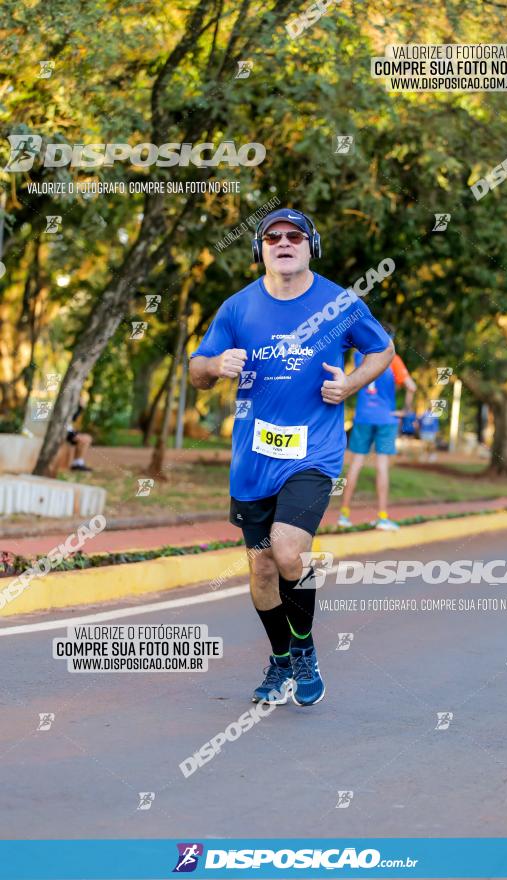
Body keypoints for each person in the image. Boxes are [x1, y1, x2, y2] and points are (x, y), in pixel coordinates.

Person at [189, 208, 394, 707]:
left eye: (294, 236)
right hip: (252, 460)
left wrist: (349, 384)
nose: (284, 242)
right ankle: (281, 659)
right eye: (273, 236)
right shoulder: (237, 308)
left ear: (310, 246)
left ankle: (304, 650)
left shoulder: (339, 303)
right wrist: (216, 365)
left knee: (286, 552)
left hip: (313, 455)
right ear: (260, 248)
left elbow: (382, 350)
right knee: (260, 570)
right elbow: (196, 369)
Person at [338, 325, 416, 530]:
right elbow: (411, 387)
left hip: (363, 416)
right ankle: (382, 517)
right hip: (386, 418)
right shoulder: (393, 359)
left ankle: (344, 516)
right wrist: (405, 411)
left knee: (355, 463)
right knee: (382, 465)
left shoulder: (359, 356)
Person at [66, 404, 93, 472]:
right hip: (65, 432)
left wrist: (80, 407)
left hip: (69, 431)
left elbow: (73, 418)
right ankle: (77, 464)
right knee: (85, 439)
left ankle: (77, 463)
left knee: (87, 438)